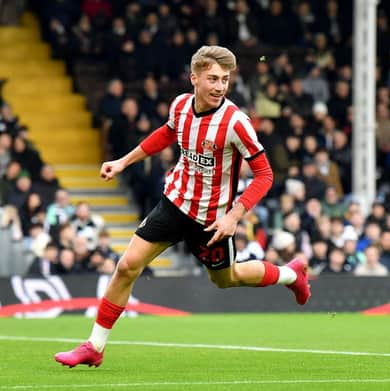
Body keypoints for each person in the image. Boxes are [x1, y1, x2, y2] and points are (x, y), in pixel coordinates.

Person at [54, 46, 311, 368]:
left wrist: (234, 216)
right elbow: (165, 134)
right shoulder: (180, 106)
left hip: (212, 220)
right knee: (126, 266)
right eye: (213, 79)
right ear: (195, 78)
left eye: (225, 80)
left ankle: (290, 274)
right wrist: (123, 162)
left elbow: (265, 174)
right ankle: (94, 346)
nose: (220, 86)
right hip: (174, 204)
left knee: (226, 279)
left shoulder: (235, 122)